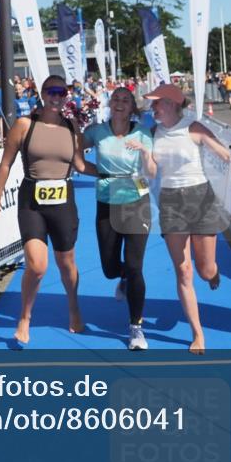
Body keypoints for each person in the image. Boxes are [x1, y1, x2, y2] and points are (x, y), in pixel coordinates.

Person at [0, 75, 88, 346]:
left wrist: (114, 171)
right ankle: (25, 317)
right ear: (42, 94)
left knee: (67, 264)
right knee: (37, 266)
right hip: (32, 201)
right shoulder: (24, 125)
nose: (56, 97)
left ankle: (74, 307)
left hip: (64, 200)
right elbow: (5, 163)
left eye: (61, 92)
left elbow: (80, 164)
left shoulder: (72, 125)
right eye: (51, 92)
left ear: (66, 96)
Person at [144, 83, 231, 354]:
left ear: (172, 103)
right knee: (184, 271)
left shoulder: (193, 127)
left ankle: (213, 274)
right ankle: (197, 333)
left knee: (205, 270)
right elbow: (152, 172)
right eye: (152, 103)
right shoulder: (152, 132)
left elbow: (222, 152)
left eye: (156, 102)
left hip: (201, 199)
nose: (152, 107)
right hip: (171, 201)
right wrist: (143, 156)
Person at [81, 87, 155, 350]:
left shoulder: (142, 132)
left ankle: (136, 328)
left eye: (125, 100)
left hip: (137, 201)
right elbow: (73, 152)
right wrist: (94, 171)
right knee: (110, 268)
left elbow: (153, 171)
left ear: (132, 106)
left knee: (136, 267)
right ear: (110, 104)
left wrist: (145, 153)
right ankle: (122, 277)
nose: (120, 103)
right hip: (106, 201)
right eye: (116, 99)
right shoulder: (97, 131)